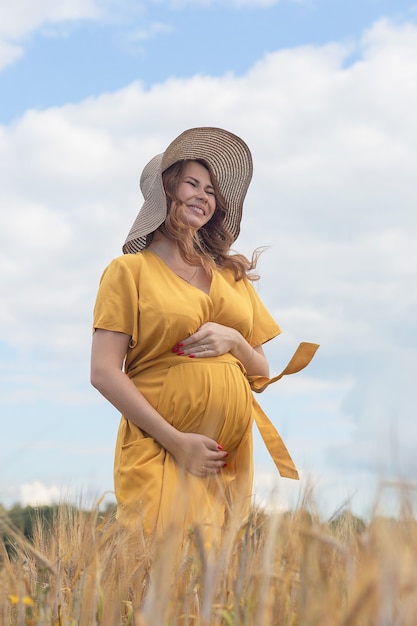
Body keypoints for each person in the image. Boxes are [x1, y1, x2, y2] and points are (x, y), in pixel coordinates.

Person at [90, 127, 318, 540]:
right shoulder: (128, 272)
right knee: (158, 572)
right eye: (192, 183)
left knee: (214, 589)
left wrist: (233, 341)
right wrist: (177, 442)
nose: (204, 196)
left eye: (211, 190)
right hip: (161, 448)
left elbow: (261, 370)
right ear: (164, 193)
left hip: (225, 459)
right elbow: (104, 373)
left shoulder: (231, 275)